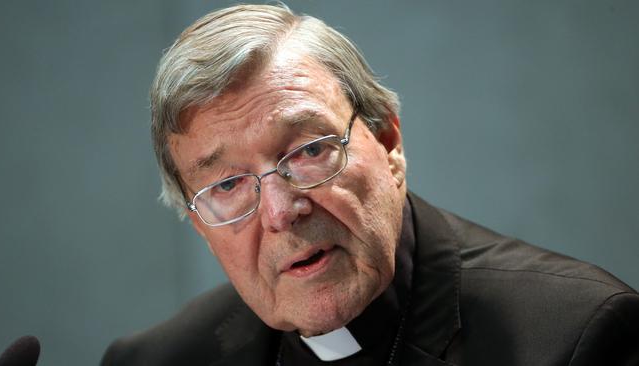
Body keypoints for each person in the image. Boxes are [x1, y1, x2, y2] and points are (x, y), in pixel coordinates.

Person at [101, 4, 639, 365]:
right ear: (199, 226)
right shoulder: (155, 360)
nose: (281, 211)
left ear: (387, 141)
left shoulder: (578, 338)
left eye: (309, 150)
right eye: (227, 186)